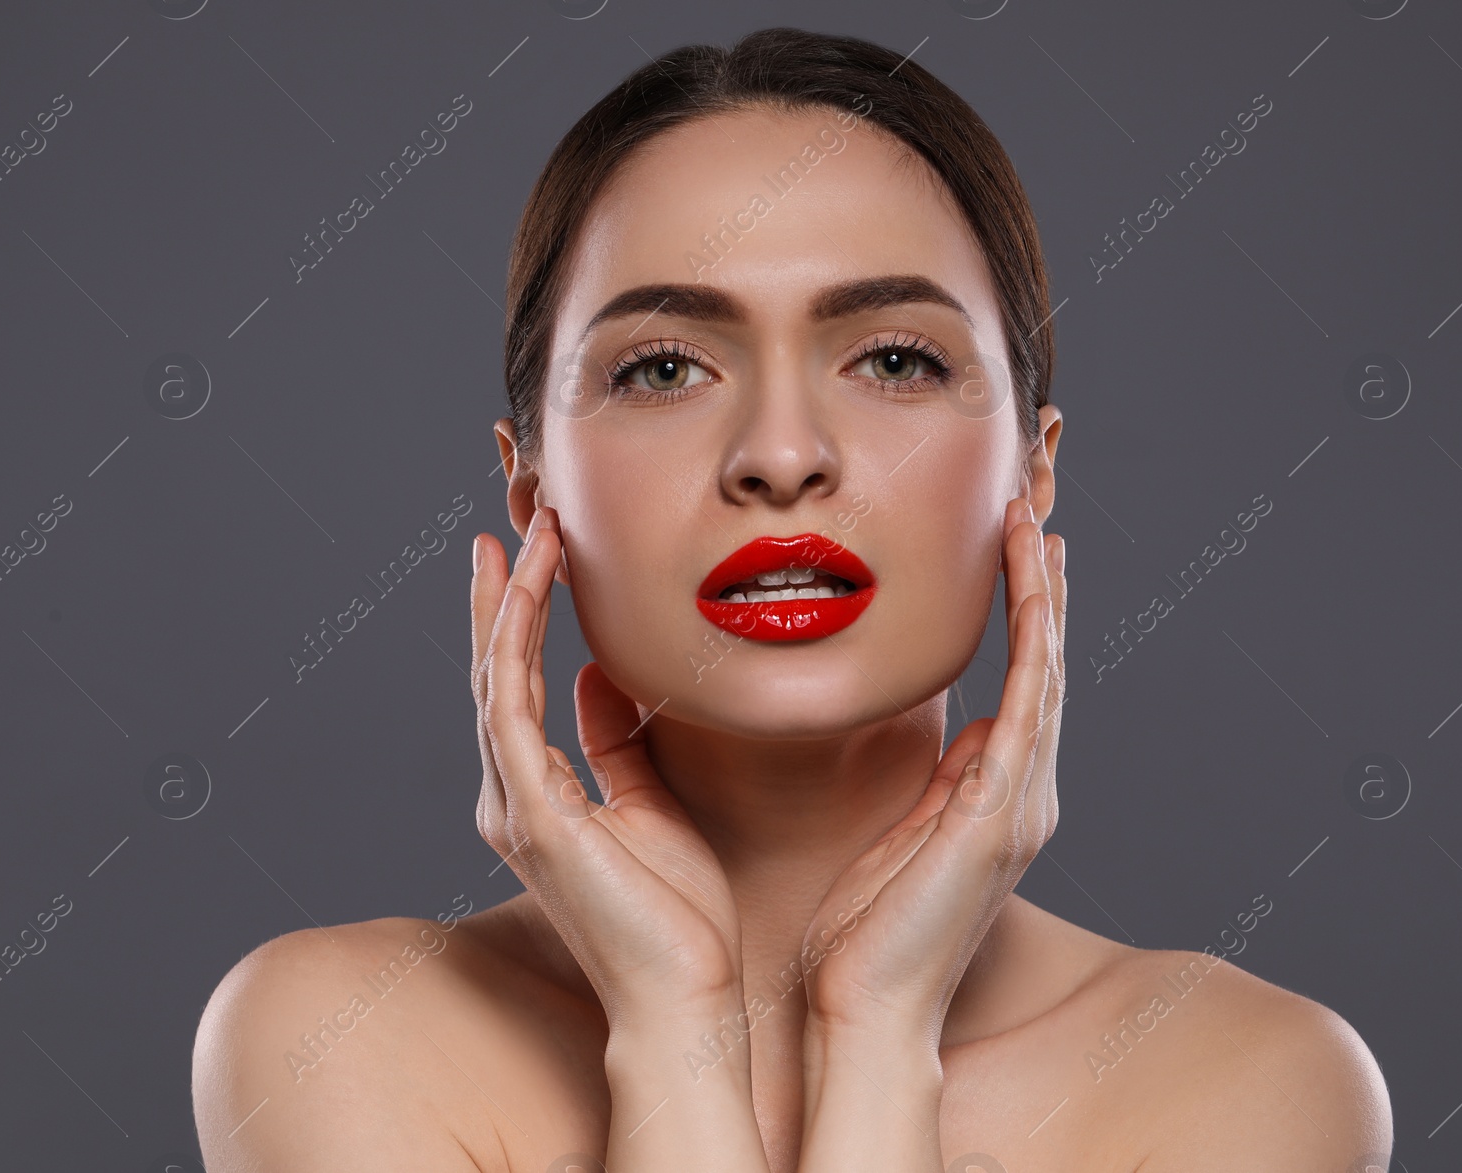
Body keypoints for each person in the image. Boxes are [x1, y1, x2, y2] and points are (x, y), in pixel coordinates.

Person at [192, 27, 1392, 1172]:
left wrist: (876, 1031)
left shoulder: (1247, 1077)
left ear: (1032, 469)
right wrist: (671, 1023)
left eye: (893, 359)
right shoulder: (334, 1038)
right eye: (663, 369)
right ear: (529, 481)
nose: (779, 453)